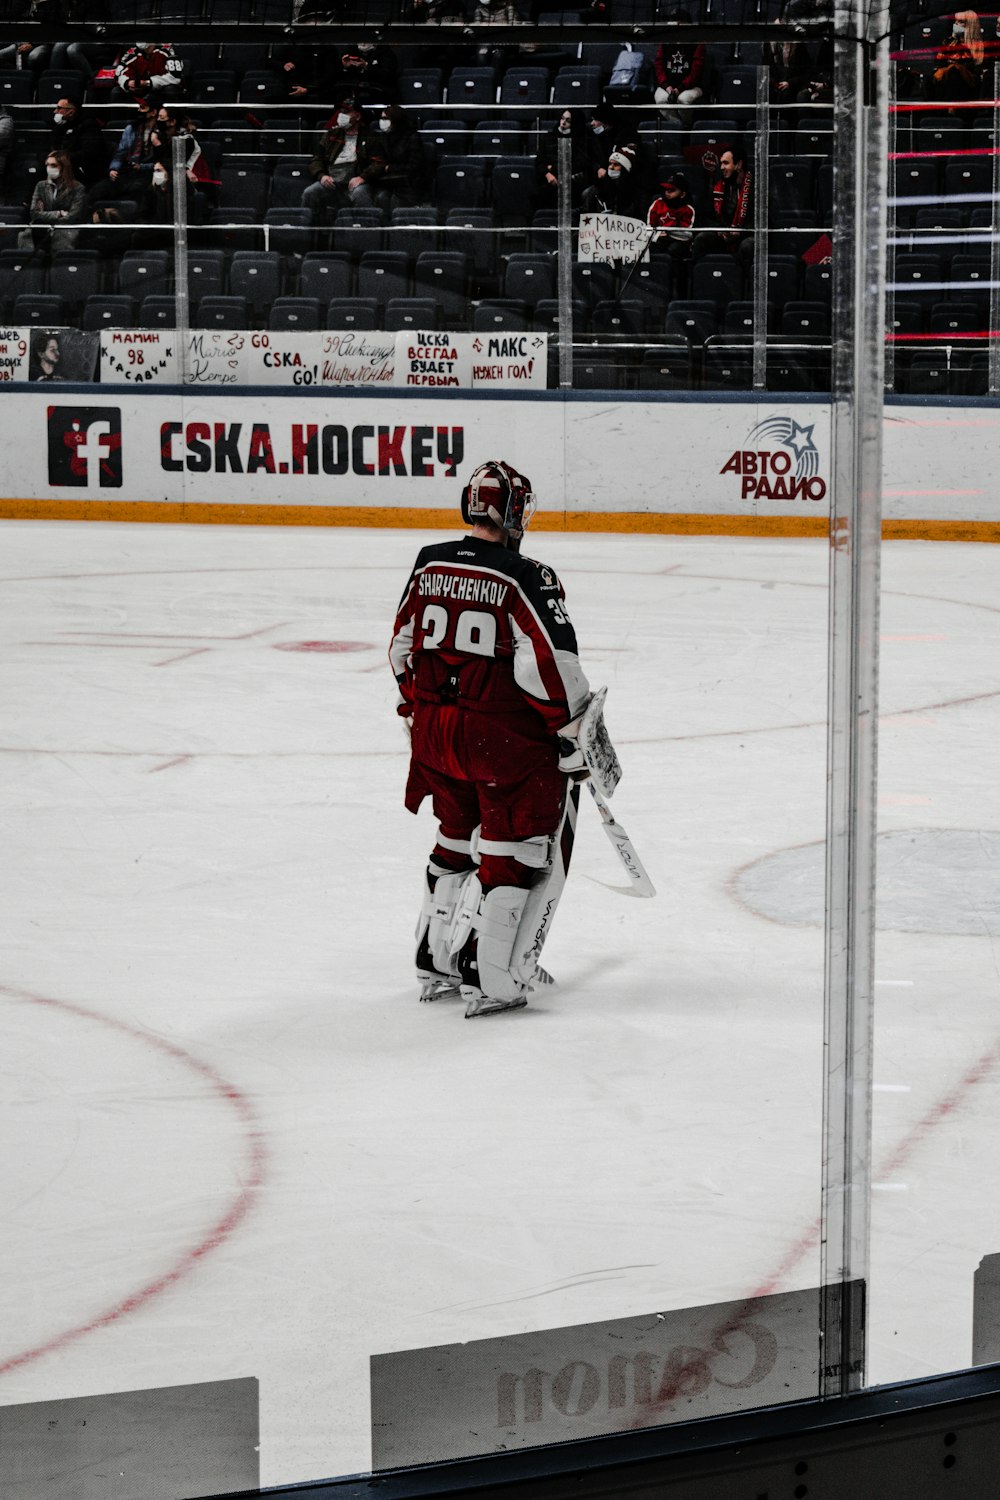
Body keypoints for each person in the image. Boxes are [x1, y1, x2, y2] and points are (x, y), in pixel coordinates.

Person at [389, 460, 593, 1019]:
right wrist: (571, 730)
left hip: (432, 732)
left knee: (455, 832)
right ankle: (491, 973)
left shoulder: (429, 562)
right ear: (512, 511)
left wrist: (418, 705)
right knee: (512, 842)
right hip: (498, 738)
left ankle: (435, 958)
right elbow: (544, 666)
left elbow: (400, 649)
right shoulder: (527, 574)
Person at [301, 98, 381, 221]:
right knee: (310, 192)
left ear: (358, 116)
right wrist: (321, 176)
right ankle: (310, 231)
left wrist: (363, 177)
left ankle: (364, 231)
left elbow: (378, 162)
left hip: (356, 179)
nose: (341, 115)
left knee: (360, 194)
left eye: (346, 112)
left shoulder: (370, 136)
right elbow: (317, 159)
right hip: (332, 179)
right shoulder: (331, 134)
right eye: (340, 111)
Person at [87, 97, 159, 206]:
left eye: (143, 108)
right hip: (128, 171)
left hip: (148, 172)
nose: (139, 110)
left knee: (137, 190)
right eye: (139, 107)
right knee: (96, 191)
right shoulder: (131, 128)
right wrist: (113, 168)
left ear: (153, 112)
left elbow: (162, 160)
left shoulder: (161, 132)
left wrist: (142, 167)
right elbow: (120, 153)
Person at [691, 144, 753, 269]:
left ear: (738, 165)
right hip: (723, 234)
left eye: (725, 163)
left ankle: (742, 284)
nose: (722, 167)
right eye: (721, 163)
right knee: (702, 239)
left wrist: (739, 232)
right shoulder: (718, 186)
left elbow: (761, 221)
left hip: (745, 234)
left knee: (748, 245)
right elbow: (706, 216)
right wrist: (721, 230)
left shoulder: (755, 188)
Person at [359, 105, 428, 212]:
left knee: (395, 201)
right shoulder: (381, 137)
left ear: (396, 120)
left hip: (408, 183)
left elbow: (415, 165)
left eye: (386, 119)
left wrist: (390, 168)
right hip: (386, 181)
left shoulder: (412, 137)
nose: (382, 121)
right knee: (380, 198)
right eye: (381, 118)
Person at [21, 151, 85, 253]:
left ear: (64, 167)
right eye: (48, 165)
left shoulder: (78, 188)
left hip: (65, 230)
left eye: (54, 165)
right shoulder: (41, 186)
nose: (49, 168)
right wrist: (59, 213)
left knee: (61, 243)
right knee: (27, 238)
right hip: (40, 229)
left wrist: (45, 215)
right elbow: (34, 213)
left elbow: (73, 216)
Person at [646, 169, 695, 291]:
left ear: (682, 194)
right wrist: (658, 235)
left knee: (674, 250)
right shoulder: (657, 204)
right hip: (659, 239)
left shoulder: (688, 210)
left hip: (679, 243)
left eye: (672, 190)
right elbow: (648, 229)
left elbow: (687, 235)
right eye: (666, 189)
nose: (667, 193)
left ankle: (678, 292)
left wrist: (667, 231)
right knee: (649, 249)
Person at [653, 12, 706, 121]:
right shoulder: (665, 43)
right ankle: (678, 129)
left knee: (683, 99)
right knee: (661, 99)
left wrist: (679, 89)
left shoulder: (697, 44)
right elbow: (659, 66)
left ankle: (686, 127)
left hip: (691, 87)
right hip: (668, 86)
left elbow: (695, 73)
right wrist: (666, 86)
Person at [534, 108, 589, 209]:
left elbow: (580, 163)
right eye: (562, 119)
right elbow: (539, 161)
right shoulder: (549, 138)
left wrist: (552, 167)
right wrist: (547, 173)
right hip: (551, 182)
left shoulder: (582, 140)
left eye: (568, 120)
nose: (563, 123)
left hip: (573, 183)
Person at [50, 97, 111, 187]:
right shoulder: (61, 125)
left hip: (82, 167)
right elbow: (51, 145)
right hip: (62, 163)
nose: (55, 111)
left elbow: (89, 152)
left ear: (71, 111)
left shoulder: (89, 125)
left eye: (59, 108)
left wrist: (62, 158)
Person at [580, 145, 643, 216]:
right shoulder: (595, 191)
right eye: (610, 164)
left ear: (624, 169)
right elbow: (584, 214)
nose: (611, 167)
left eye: (616, 165)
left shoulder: (635, 194)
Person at [114, 41, 185, 98]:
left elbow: (175, 78)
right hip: (140, 91)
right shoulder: (132, 52)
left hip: (161, 90)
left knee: (170, 90)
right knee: (116, 92)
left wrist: (148, 83)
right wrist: (127, 83)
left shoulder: (168, 49)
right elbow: (118, 75)